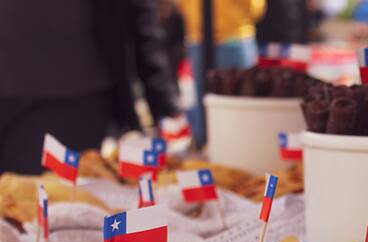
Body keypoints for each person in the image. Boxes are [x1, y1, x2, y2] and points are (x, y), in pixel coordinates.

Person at [0, 0, 181, 175]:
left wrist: (162, 101)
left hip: (70, 99)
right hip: (24, 90)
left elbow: (139, 16)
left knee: (47, 190)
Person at [179, 0, 266, 146]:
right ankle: (203, 142)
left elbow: (256, 8)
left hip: (235, 36)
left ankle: (244, 146)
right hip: (199, 36)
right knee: (203, 99)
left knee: (242, 101)